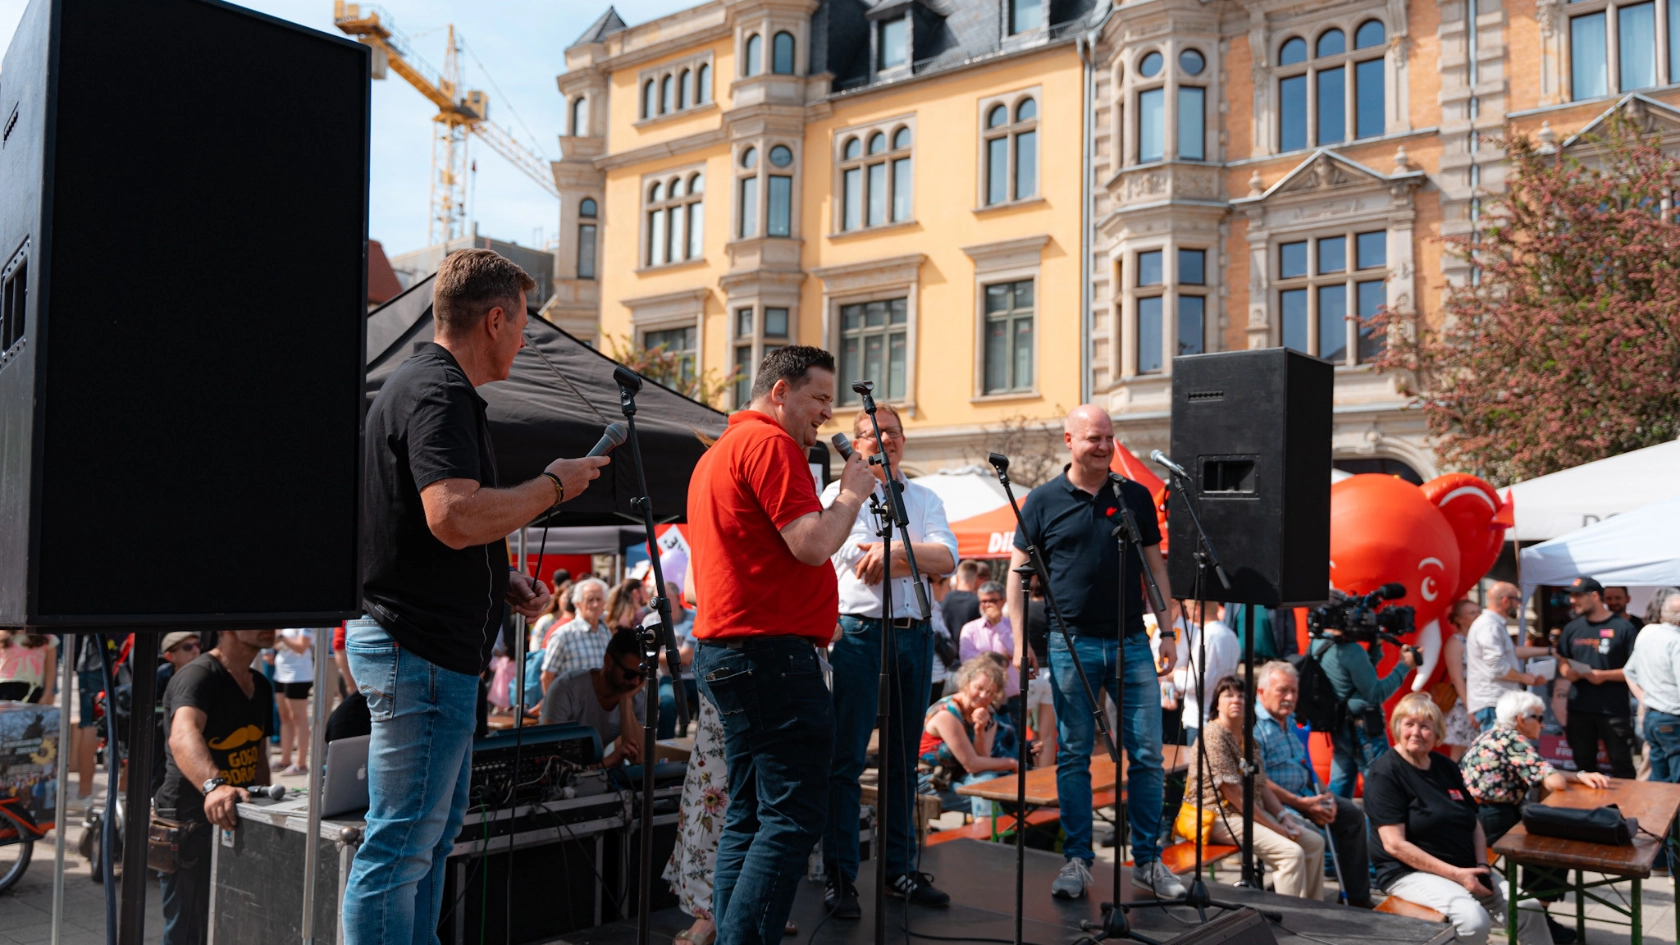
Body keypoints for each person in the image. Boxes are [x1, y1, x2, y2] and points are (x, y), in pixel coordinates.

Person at [349, 249, 608, 945]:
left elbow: (440, 523)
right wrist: (553, 485)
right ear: (495, 319)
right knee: (401, 846)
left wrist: (502, 577)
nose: (526, 339)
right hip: (420, 648)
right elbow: (453, 514)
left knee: (422, 845)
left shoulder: (431, 389)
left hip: (428, 649)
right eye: (524, 323)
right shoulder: (437, 392)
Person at [687, 344, 873, 945]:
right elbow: (812, 544)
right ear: (780, 392)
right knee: (791, 815)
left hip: (737, 650)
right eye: (818, 397)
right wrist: (850, 493)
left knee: (749, 810)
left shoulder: (719, 453)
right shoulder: (769, 445)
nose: (826, 412)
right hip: (769, 654)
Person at [1007, 404, 1183, 901]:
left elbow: (1156, 569)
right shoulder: (1041, 501)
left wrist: (1167, 631)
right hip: (1071, 643)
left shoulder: (1134, 497)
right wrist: (1022, 641)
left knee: (1148, 755)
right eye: (1093, 438)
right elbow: (1016, 576)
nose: (1104, 446)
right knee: (1074, 756)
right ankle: (1078, 860)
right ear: (1070, 440)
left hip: (1131, 640)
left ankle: (1148, 861)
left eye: (1108, 437)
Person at [821, 401, 958, 915]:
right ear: (856, 445)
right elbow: (860, 564)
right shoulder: (840, 495)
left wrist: (898, 555)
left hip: (914, 635)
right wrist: (917, 556)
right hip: (859, 637)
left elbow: (948, 559)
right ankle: (840, 877)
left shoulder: (924, 496)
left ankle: (898, 870)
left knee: (905, 759)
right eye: (873, 434)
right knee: (848, 760)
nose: (886, 440)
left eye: (894, 432)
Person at [1367, 693, 1553, 945]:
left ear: (1437, 733)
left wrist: (1482, 866)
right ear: (1397, 726)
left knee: (1529, 907)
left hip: (1466, 867)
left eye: (1425, 726)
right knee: (1473, 920)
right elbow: (1394, 845)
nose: (1416, 732)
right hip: (1409, 873)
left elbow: (1473, 821)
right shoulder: (1385, 772)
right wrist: (1457, 874)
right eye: (1409, 724)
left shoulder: (1445, 766)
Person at [155, 629, 277, 945]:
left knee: (234, 918)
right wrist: (215, 786)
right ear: (228, 627)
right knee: (188, 929)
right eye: (258, 617)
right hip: (190, 819)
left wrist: (266, 803)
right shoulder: (198, 675)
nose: (271, 625)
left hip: (238, 816)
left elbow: (258, 754)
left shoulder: (260, 684)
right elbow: (183, 735)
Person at [1461, 689, 1609, 944]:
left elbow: (1541, 769)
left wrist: (1579, 774)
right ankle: (1536, 916)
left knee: (1546, 838)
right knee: (1556, 848)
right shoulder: (1514, 740)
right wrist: (1570, 776)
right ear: (1521, 719)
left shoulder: (1491, 734)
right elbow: (1554, 782)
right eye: (1538, 718)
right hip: (1491, 819)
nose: (1542, 724)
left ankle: (1535, 914)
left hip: (1474, 817)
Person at [1180, 674, 1325, 899]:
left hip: (1246, 813)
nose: (1236, 700)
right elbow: (1234, 794)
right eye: (1228, 695)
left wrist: (1284, 815)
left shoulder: (1248, 738)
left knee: (1314, 842)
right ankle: (1293, 919)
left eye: (1241, 695)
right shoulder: (1213, 735)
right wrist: (1277, 828)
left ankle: (1315, 909)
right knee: (1290, 854)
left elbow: (1262, 785)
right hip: (1217, 816)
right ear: (1217, 703)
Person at [1252, 660, 1375, 908]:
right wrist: (1304, 804)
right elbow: (1259, 781)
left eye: (1294, 692)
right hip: (1275, 804)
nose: (1289, 698)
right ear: (1262, 692)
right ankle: (1293, 895)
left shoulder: (1287, 722)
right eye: (1282, 691)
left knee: (1351, 813)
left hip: (1304, 794)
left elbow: (1304, 766)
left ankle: (1356, 896)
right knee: (1312, 832)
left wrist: (1326, 794)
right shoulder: (1254, 727)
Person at [1315, 619, 1419, 798]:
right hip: (1364, 730)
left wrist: (1374, 648)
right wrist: (1405, 666)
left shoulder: (1319, 643)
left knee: (1340, 783)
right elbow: (1375, 694)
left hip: (1340, 725)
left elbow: (1354, 679)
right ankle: (1378, 827)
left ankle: (1334, 824)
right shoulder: (1350, 650)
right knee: (1380, 787)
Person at [1556, 576, 1637, 779]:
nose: (1572, 601)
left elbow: (1636, 670)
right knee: (1583, 767)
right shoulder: (1572, 628)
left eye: (1577, 596)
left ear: (1594, 596)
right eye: (1571, 596)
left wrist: (1603, 676)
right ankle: (1587, 810)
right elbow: (1562, 658)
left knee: (1622, 766)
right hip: (1579, 710)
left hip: (1613, 711)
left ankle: (1625, 810)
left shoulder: (1624, 628)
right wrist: (1566, 671)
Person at [919, 655, 1019, 814]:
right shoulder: (947, 713)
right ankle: (988, 834)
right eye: (979, 688)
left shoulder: (988, 713)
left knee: (989, 782)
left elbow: (982, 759)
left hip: (959, 777)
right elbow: (972, 764)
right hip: (929, 779)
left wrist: (980, 729)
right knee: (995, 801)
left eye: (990, 693)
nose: (983, 696)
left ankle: (989, 832)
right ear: (966, 683)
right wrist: (1012, 763)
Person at [539, 630, 646, 765]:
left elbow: (639, 758)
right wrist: (607, 762)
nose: (636, 682)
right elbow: (548, 755)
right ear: (608, 661)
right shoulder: (567, 688)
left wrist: (625, 701)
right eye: (629, 674)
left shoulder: (634, 695)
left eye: (642, 676)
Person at [1466, 582, 1550, 733]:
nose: (1519, 604)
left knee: (1500, 751)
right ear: (1506, 601)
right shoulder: (1488, 625)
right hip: (1493, 702)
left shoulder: (1493, 625)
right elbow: (1496, 666)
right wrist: (1524, 678)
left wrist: (1547, 651)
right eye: (1517, 600)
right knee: (1496, 751)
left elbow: (1510, 653)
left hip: (1496, 702)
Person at [1625, 591, 1680, 782]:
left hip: (1653, 716)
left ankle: (1657, 812)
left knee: (1659, 779)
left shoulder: (1650, 635)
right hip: (1672, 717)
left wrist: (1645, 697)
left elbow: (1628, 671)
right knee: (1674, 779)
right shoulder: (1676, 641)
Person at [1171, 600, 1238, 748]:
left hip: (1201, 720)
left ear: (1197, 610)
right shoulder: (1229, 634)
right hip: (1216, 717)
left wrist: (1173, 674)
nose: (1186, 612)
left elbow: (1196, 682)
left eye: (1188, 608)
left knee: (1197, 768)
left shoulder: (1207, 637)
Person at [540, 577, 611, 694]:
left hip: (600, 707)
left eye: (599, 599)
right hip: (572, 707)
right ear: (578, 604)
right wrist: (553, 709)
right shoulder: (563, 635)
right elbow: (547, 676)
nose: (595, 604)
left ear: (604, 603)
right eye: (590, 600)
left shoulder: (605, 631)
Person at [960, 581, 1020, 709]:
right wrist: (1000, 659)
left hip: (1011, 696)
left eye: (992, 601)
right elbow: (967, 660)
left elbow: (1017, 652)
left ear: (1003, 601)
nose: (987, 605)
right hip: (981, 696)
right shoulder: (970, 629)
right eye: (983, 601)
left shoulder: (1014, 626)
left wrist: (998, 623)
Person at [1440, 600, 1481, 761]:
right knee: (1460, 751)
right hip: (1464, 703)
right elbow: (1457, 679)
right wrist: (1470, 708)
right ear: (1459, 619)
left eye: (1478, 611)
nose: (1478, 616)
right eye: (1472, 613)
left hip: (1480, 698)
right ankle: (1454, 784)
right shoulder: (1455, 643)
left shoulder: (1480, 640)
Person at [659, 580, 698, 740]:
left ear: (676, 597)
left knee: (712, 705)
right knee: (668, 703)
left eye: (665, 598)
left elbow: (687, 657)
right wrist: (677, 655)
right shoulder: (651, 620)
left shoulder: (693, 617)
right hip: (668, 678)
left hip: (693, 678)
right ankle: (662, 750)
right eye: (657, 598)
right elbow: (647, 657)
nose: (661, 603)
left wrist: (660, 657)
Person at [272, 628, 314, 775]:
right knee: (284, 717)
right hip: (281, 672)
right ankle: (285, 759)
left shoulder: (303, 623)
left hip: (298, 674)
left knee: (298, 717)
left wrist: (281, 636)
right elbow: (276, 645)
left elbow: (301, 647)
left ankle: (301, 763)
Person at [0, 632, 56, 704]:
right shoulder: (2, 635)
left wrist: (47, 695)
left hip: (32, 689)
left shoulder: (47, 638)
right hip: (3, 686)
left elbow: (50, 670)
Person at [942, 560, 985, 637]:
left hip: (946, 645)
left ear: (957, 578)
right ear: (975, 579)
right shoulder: (977, 602)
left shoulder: (945, 598)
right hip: (968, 646)